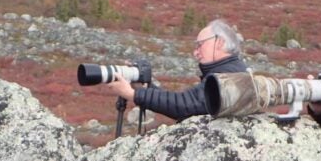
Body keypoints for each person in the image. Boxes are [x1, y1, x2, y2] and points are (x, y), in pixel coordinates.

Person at [106, 18, 247, 121]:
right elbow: (184, 104)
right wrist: (145, 87)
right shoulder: (232, 70)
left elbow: (184, 106)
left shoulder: (227, 75)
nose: (195, 52)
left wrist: (133, 95)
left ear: (220, 42)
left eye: (200, 45)